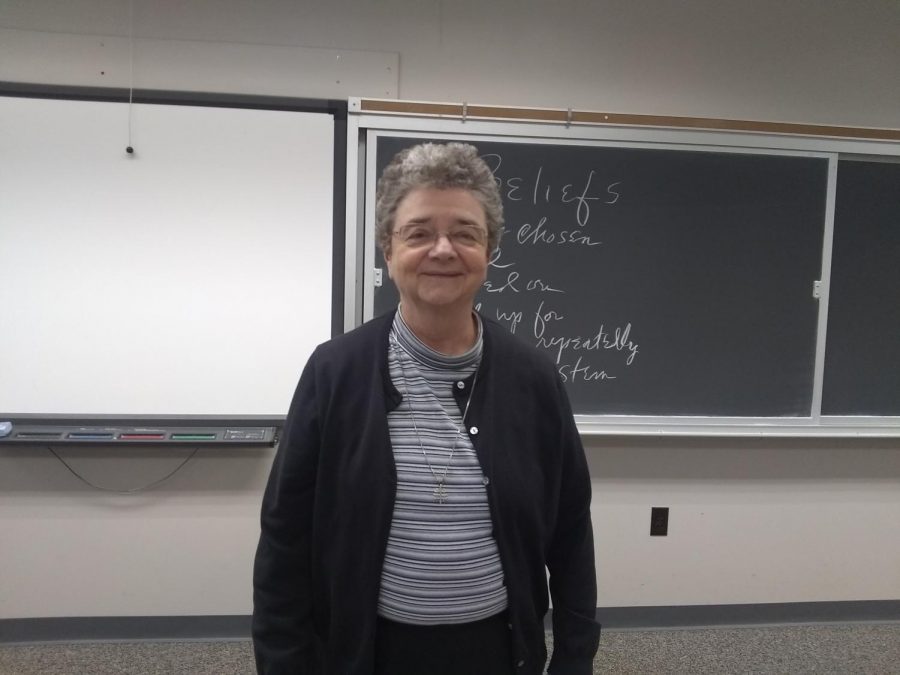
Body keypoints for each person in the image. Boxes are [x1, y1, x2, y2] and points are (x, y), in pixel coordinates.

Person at [252, 142, 600, 675]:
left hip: (498, 651)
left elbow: (571, 530)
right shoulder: (333, 373)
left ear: (490, 251)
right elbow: (285, 538)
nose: (443, 250)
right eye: (418, 233)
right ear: (387, 251)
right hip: (367, 652)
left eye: (465, 233)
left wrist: (575, 658)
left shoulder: (534, 379)